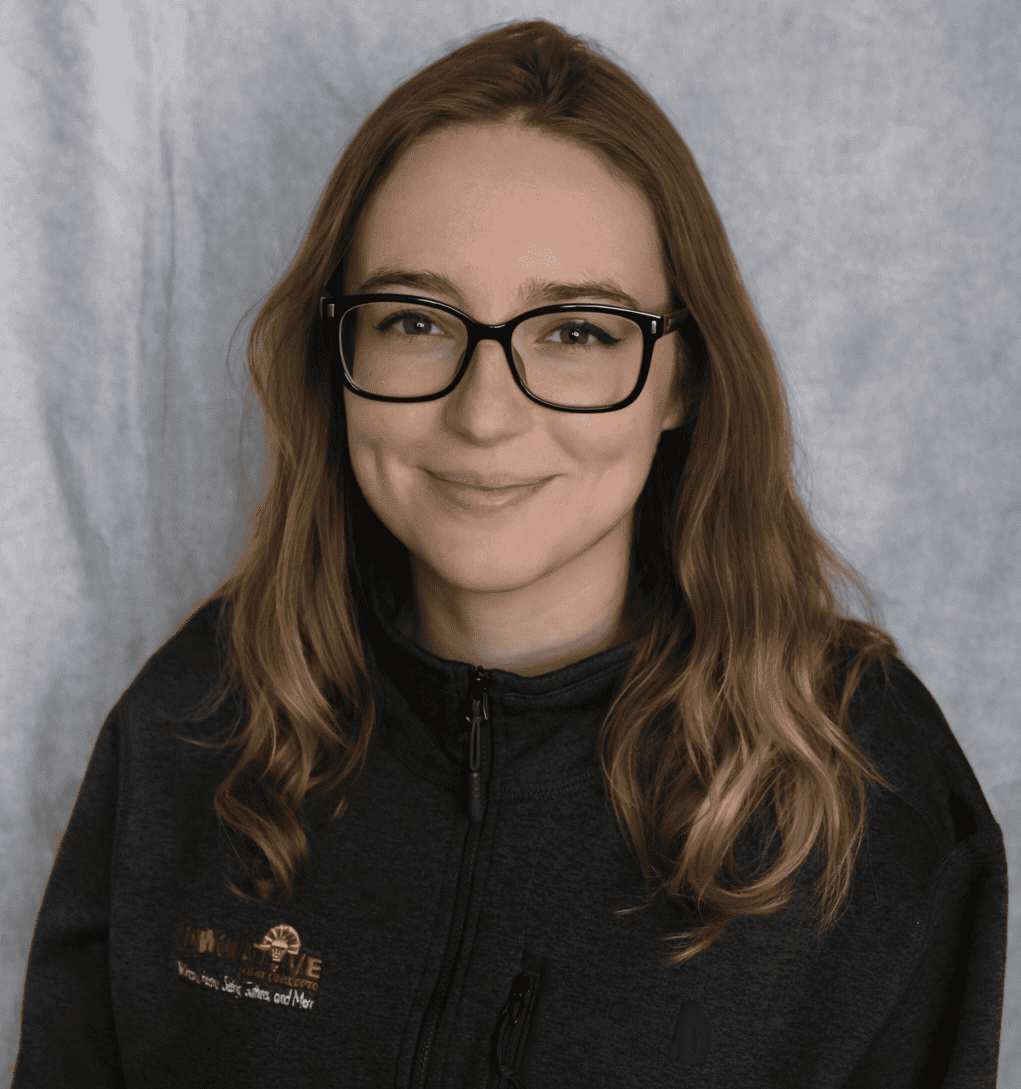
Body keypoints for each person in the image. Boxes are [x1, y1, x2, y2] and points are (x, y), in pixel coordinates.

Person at [12, 19, 1007, 1088]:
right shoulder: (197, 720)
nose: (483, 416)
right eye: (414, 321)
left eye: (576, 331)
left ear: (684, 377)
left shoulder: (865, 775)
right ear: (333, 355)